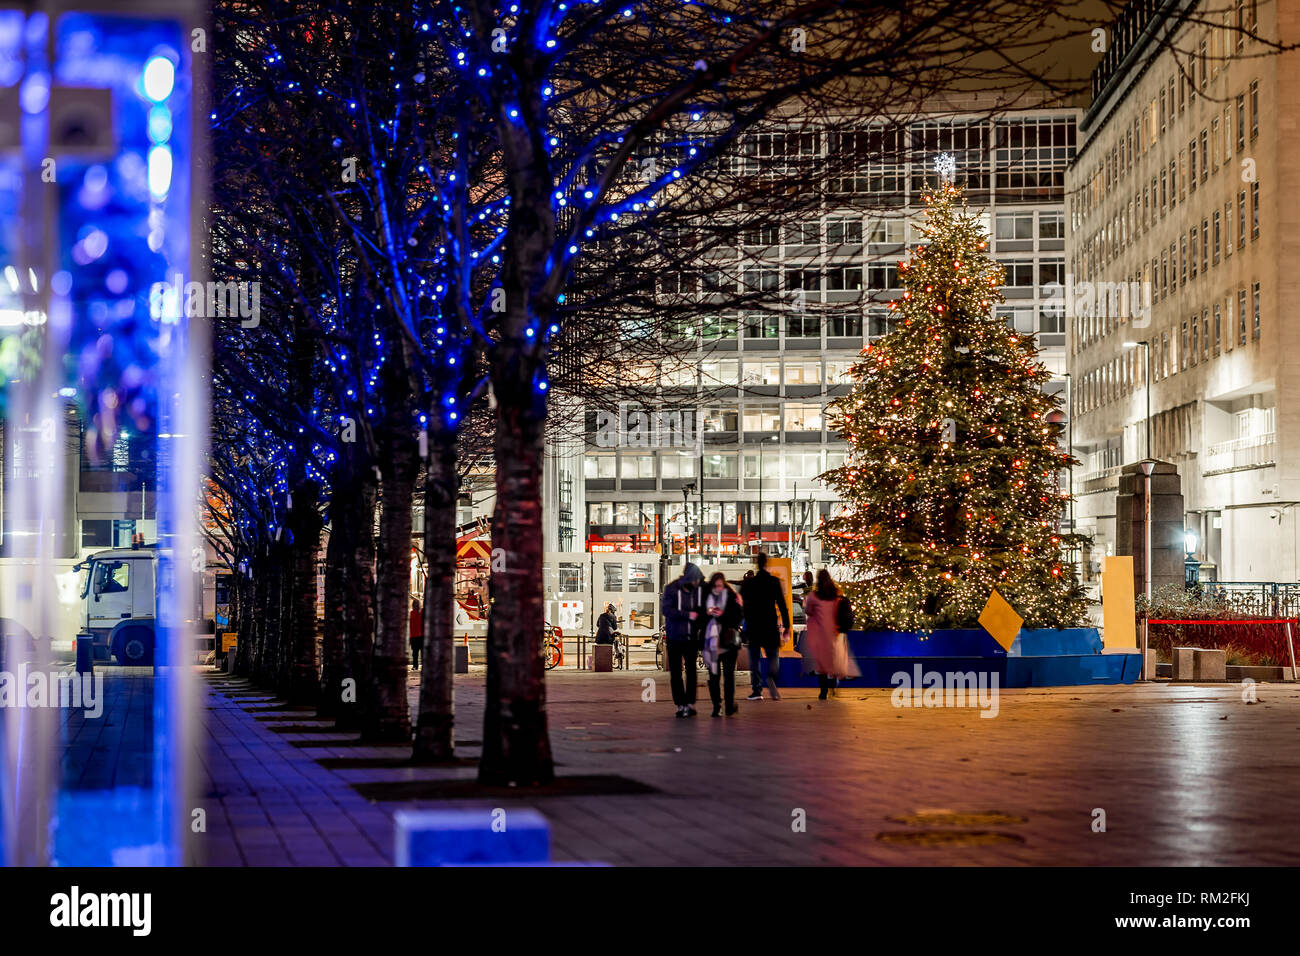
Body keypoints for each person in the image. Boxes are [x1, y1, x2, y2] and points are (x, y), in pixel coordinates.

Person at [801, 570, 861, 699]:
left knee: (822, 664)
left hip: (820, 635)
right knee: (834, 661)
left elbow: (808, 611)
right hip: (836, 633)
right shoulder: (837, 596)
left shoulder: (813, 596)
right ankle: (833, 686)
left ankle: (823, 691)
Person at [740, 552, 791, 701]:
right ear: (766, 564)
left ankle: (757, 690)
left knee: (754, 659)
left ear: (757, 564)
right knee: (773, 656)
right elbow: (782, 605)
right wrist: (787, 626)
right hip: (770, 624)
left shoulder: (749, 584)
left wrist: (744, 623)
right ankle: (772, 677)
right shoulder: (774, 582)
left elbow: (743, 606)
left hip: (754, 625)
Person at [661, 563, 704, 717]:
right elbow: (666, 610)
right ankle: (680, 704)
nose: (697, 583)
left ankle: (690, 703)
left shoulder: (696, 591)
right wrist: (687, 615)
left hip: (691, 637)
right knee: (676, 673)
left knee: (692, 671)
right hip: (674, 637)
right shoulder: (672, 589)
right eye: (695, 580)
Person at [699, 572, 744, 717]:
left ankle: (729, 705)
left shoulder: (731, 597)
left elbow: (737, 618)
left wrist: (722, 615)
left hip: (727, 642)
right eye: (715, 586)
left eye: (720, 585)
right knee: (713, 676)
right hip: (711, 643)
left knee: (729, 675)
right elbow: (699, 618)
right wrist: (708, 613)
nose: (718, 588)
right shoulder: (705, 598)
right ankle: (716, 705)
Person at [409, 599, 423, 671]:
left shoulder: (412, 613)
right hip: (421, 636)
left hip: (414, 636)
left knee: (415, 653)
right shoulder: (422, 612)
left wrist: (410, 637)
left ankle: (415, 666)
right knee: (422, 652)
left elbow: (411, 626)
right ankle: (422, 665)